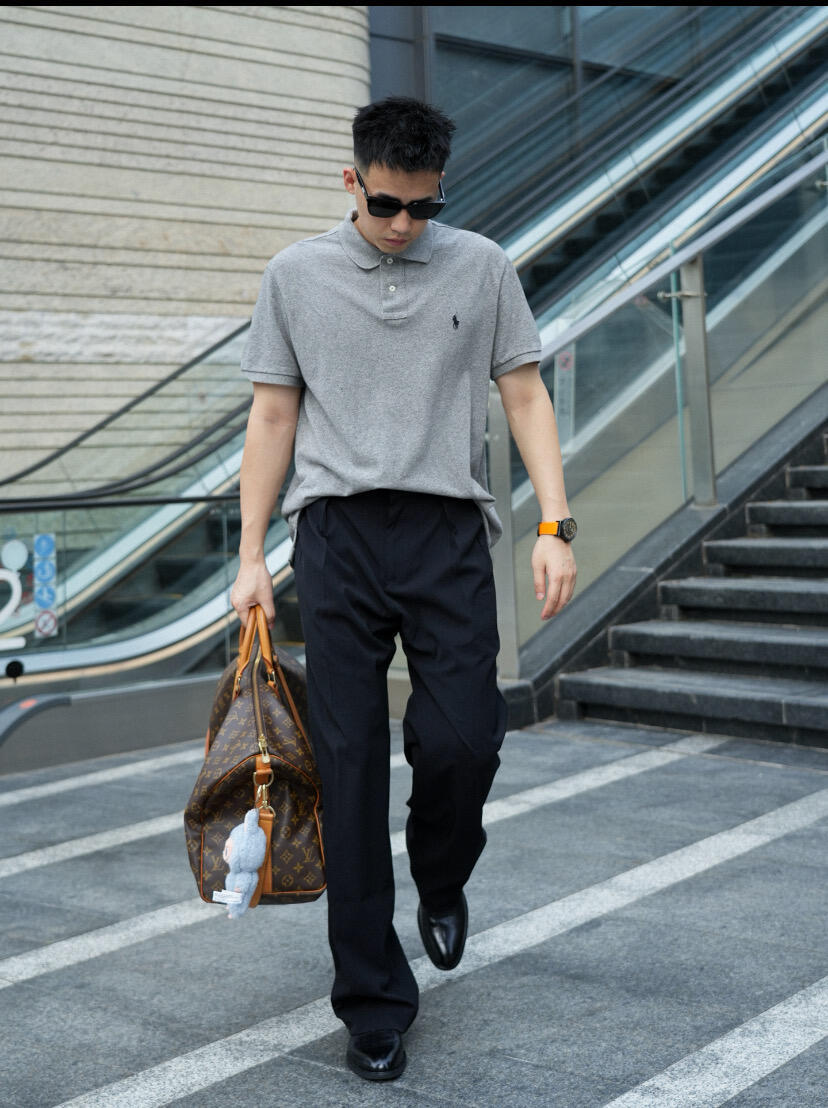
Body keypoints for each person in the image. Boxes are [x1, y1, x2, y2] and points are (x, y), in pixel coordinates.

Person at [230, 96, 576, 1082]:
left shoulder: (484, 266)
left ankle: (440, 869)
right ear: (353, 181)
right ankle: (373, 1002)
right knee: (347, 771)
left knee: (465, 738)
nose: (404, 224)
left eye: (424, 207)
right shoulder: (294, 275)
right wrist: (250, 555)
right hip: (335, 536)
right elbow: (271, 417)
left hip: (445, 531)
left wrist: (555, 525)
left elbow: (524, 394)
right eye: (386, 203)